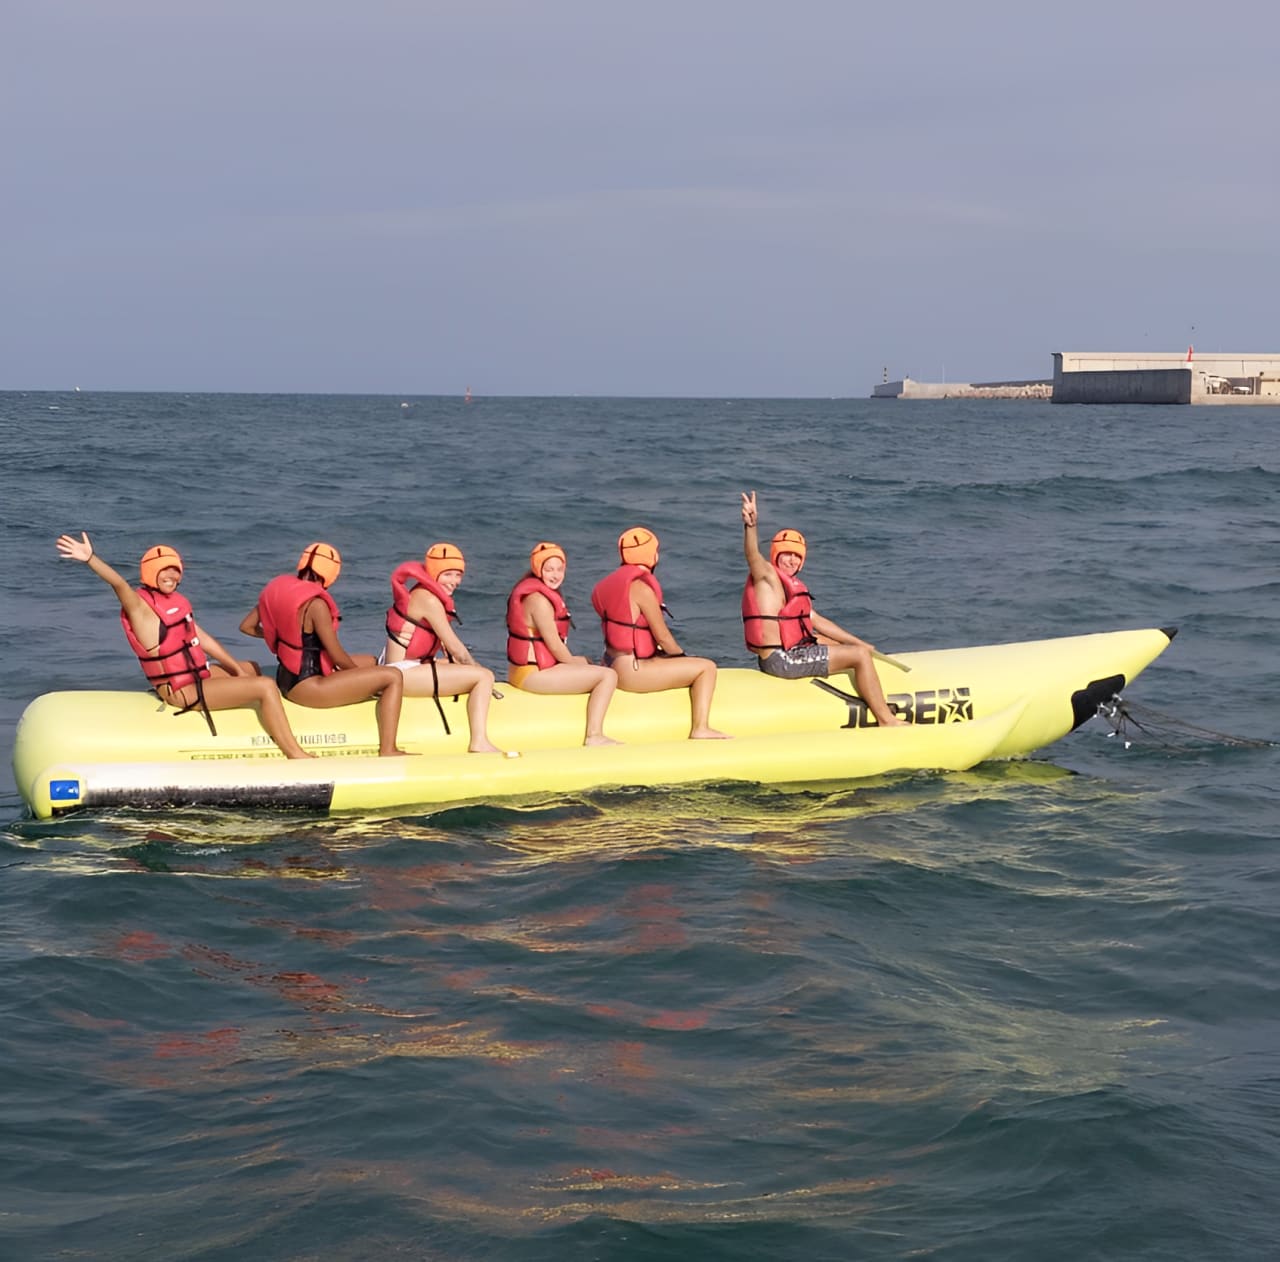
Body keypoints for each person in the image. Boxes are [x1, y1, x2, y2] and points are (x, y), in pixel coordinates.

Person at [55, 531, 313, 758]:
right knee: (266, 685)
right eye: (165, 570)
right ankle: (294, 752)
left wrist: (236, 668)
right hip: (181, 691)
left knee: (253, 668)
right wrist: (90, 558)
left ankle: (271, 722)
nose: (171, 575)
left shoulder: (176, 605)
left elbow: (204, 640)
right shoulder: (142, 610)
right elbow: (119, 584)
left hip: (197, 676)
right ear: (150, 572)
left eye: (176, 571)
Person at [740, 492, 907, 727]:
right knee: (858, 657)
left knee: (841, 645)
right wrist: (751, 526)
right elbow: (752, 555)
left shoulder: (791, 587)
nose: (791, 560)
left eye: (797, 556)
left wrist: (858, 642)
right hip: (781, 660)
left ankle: (871, 693)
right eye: (786, 554)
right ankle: (886, 719)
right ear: (776, 555)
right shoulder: (766, 576)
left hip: (790, 652)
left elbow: (815, 620)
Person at [239, 542, 407, 757]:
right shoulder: (316, 604)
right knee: (392, 676)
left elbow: (246, 627)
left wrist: (280, 636)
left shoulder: (279, 590)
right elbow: (336, 656)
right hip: (308, 687)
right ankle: (388, 749)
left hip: (286, 679)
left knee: (371, 661)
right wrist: (360, 678)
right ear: (330, 574)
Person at [591, 526, 728, 739]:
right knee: (706, 668)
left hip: (610, 663)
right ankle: (700, 728)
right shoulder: (641, 589)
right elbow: (663, 638)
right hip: (632, 672)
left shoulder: (607, 584)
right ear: (652, 556)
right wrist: (682, 658)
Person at [381, 542, 501, 754]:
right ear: (435, 572)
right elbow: (457, 649)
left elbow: (448, 650)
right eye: (448, 574)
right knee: (484, 676)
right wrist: (479, 671)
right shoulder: (428, 600)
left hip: (401, 667)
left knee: (465, 668)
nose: (454, 581)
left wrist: (466, 666)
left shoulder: (422, 593)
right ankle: (479, 741)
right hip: (401, 675)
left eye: (458, 575)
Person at [506, 541, 620, 746]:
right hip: (532, 676)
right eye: (549, 569)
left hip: (526, 671)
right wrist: (580, 665)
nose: (555, 574)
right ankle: (594, 735)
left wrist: (583, 663)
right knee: (607, 675)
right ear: (537, 569)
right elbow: (556, 647)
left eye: (560, 569)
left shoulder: (539, 594)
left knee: (586, 661)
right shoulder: (538, 601)